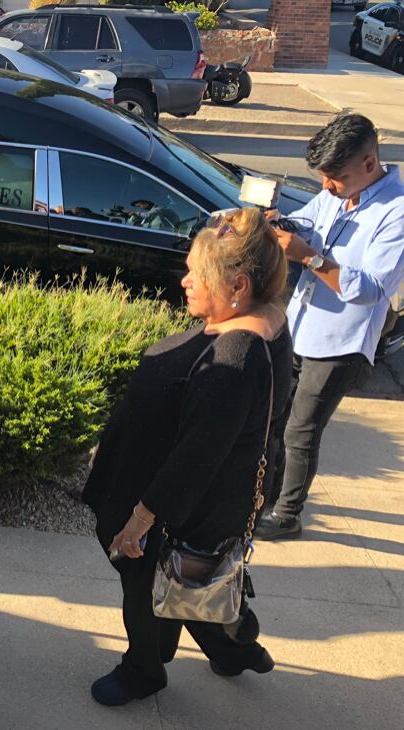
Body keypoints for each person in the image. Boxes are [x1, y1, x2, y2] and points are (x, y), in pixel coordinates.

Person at [82, 208, 292, 706]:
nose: (186, 280)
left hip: (187, 502)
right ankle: (235, 644)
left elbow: (196, 457)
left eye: (199, 274)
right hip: (211, 495)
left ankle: (143, 670)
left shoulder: (234, 359)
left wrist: (139, 517)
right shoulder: (264, 316)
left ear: (239, 284)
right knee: (194, 577)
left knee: (150, 578)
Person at [255, 114, 404, 540]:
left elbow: (371, 289)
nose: (327, 187)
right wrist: (282, 225)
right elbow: (309, 220)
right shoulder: (336, 194)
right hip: (301, 328)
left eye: (335, 178)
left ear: (370, 164)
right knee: (274, 417)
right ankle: (260, 501)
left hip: (341, 343)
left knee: (302, 429)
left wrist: (309, 257)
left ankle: (286, 515)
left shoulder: (396, 212)